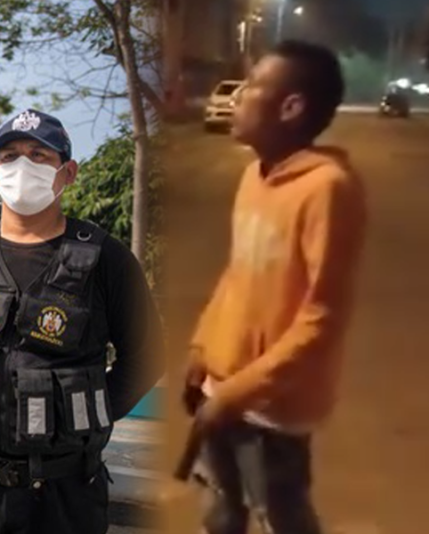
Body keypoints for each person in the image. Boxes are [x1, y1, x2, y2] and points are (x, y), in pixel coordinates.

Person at [0, 108, 161, 534]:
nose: (22, 166)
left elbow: (146, 356)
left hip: (65, 491)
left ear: (68, 173)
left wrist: (82, 417)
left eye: (39, 155)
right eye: (9, 156)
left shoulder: (106, 259)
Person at [184, 40, 367, 534]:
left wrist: (239, 393)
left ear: (291, 107)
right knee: (221, 508)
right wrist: (202, 348)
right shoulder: (253, 177)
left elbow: (322, 319)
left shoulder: (328, 189)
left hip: (272, 410)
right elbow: (238, 274)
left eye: (252, 86)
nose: (237, 97)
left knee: (281, 516)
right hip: (222, 391)